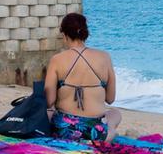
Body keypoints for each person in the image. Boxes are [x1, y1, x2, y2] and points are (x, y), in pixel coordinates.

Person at [44, 12, 121, 144]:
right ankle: (109, 134)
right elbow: (110, 99)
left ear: (64, 35)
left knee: (49, 112)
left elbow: (49, 101)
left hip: (64, 129)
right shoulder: (104, 57)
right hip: (96, 131)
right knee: (115, 113)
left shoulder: (57, 60)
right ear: (85, 33)